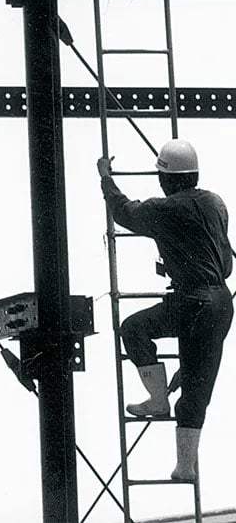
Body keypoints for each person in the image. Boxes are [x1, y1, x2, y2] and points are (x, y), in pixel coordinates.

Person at [97, 139, 233, 483]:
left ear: (165, 179)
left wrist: (105, 179)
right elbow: (227, 264)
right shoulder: (215, 203)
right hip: (221, 303)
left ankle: (157, 399)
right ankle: (185, 466)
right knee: (196, 388)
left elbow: (123, 212)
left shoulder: (165, 209)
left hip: (191, 302)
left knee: (134, 328)